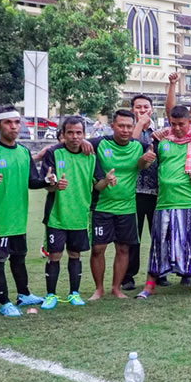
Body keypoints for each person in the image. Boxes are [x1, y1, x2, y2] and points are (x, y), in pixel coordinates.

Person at [0, 106, 55, 317]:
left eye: (17, 122)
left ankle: (24, 294)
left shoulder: (24, 152)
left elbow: (32, 182)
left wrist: (46, 181)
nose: (14, 126)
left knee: (19, 258)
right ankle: (4, 301)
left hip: (18, 218)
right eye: (8, 122)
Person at [135, 105, 191, 298]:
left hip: (189, 201)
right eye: (173, 124)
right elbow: (142, 162)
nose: (178, 128)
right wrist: (144, 159)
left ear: (189, 122)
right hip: (164, 202)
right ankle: (149, 285)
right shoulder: (161, 142)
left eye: (182, 124)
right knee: (158, 243)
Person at [40, 117, 108, 309]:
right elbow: (47, 183)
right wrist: (53, 184)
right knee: (54, 255)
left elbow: (99, 185)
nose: (74, 136)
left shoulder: (91, 156)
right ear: (63, 134)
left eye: (79, 133)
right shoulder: (54, 153)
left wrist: (107, 181)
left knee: (75, 254)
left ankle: (74, 293)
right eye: (70, 132)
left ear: (84, 134)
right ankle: (51, 295)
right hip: (56, 214)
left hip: (80, 215)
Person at [88, 109, 155, 300]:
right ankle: (98, 289)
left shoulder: (140, 146)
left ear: (133, 127)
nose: (125, 130)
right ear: (113, 126)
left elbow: (142, 165)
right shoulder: (99, 143)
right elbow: (77, 143)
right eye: (121, 126)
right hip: (102, 206)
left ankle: (116, 288)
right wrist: (83, 142)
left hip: (127, 207)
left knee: (123, 249)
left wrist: (145, 161)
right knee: (98, 249)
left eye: (129, 126)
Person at [123, 94, 167, 290]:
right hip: (133, 192)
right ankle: (128, 276)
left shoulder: (158, 133)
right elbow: (129, 149)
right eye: (138, 107)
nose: (142, 110)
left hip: (156, 192)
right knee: (133, 237)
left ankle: (160, 273)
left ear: (152, 109)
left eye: (146, 107)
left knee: (159, 235)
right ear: (133, 110)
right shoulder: (127, 131)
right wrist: (139, 124)